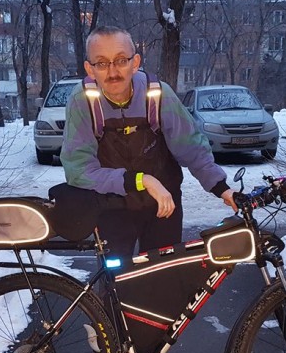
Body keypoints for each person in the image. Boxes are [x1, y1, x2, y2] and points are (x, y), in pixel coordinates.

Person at [61, 25, 236, 261]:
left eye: (121, 60)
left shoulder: (158, 95)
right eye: (101, 63)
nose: (113, 72)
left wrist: (221, 188)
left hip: (163, 207)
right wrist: (141, 180)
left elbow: (192, 148)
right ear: (89, 69)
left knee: (163, 275)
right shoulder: (82, 101)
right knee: (116, 277)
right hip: (110, 206)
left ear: (135, 63)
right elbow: (79, 170)